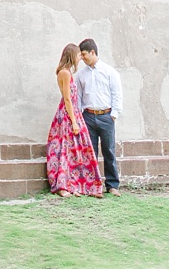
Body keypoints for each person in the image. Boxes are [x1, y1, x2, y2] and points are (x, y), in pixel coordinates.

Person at [46, 42, 103, 197]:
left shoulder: (67, 72)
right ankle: (64, 185)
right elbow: (67, 99)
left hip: (72, 113)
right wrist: (74, 121)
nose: (80, 59)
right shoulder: (65, 73)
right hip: (67, 114)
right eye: (79, 55)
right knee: (66, 150)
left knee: (76, 150)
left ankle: (76, 185)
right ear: (72, 56)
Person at [76, 38, 124, 194]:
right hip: (88, 116)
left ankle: (112, 185)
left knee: (109, 150)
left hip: (106, 115)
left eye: (84, 54)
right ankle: (92, 185)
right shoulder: (81, 75)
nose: (82, 58)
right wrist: (79, 116)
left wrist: (114, 114)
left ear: (92, 52)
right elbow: (78, 97)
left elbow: (117, 93)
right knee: (90, 152)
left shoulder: (109, 71)